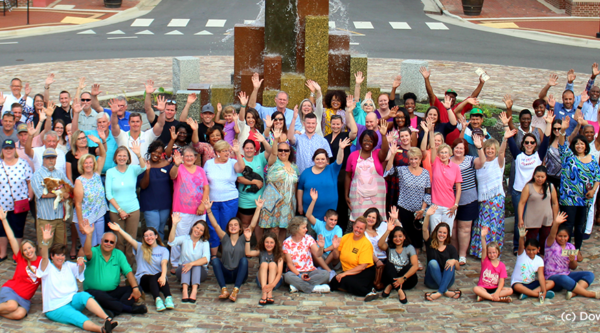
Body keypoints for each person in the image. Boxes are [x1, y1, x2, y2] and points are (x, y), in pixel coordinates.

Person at [37, 225, 117, 333]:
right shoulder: (47, 267)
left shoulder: (68, 265)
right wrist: (45, 242)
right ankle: (101, 330)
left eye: (62, 255)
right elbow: (44, 257)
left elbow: (80, 270)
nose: (60, 258)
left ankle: (108, 319)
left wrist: (81, 263)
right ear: (52, 256)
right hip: (56, 307)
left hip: (71, 300)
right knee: (77, 316)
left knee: (84, 295)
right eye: (57, 255)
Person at [505, 110, 553, 254]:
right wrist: (505, 125)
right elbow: (510, 139)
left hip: (535, 192)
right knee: (519, 221)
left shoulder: (538, 155)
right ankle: (517, 245)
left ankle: (533, 245)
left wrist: (549, 123)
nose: (529, 144)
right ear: (523, 143)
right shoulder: (518, 155)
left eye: (532, 142)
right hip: (519, 191)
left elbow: (547, 139)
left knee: (534, 220)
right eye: (527, 142)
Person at [81, 224, 145, 318]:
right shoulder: (94, 251)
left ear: (115, 245)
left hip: (113, 291)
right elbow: (87, 252)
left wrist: (135, 288)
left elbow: (128, 272)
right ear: (101, 241)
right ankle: (128, 309)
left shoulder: (118, 254)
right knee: (100, 295)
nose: (108, 243)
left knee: (136, 288)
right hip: (93, 292)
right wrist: (89, 235)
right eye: (106, 241)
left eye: (111, 242)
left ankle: (112, 310)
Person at [384, 145, 431, 270]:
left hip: (419, 210)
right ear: (408, 159)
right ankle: (403, 259)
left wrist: (422, 209)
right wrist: (392, 154)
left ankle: (414, 259)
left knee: (416, 237)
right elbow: (388, 171)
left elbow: (427, 193)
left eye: (416, 159)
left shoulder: (425, 173)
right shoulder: (402, 170)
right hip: (404, 207)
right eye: (411, 159)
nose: (414, 161)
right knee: (405, 233)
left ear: (420, 159)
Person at [558, 113, 600, 250]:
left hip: (584, 198)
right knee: (568, 225)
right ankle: (567, 251)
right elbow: (562, 144)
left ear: (586, 146)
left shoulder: (592, 160)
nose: (580, 146)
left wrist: (593, 190)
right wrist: (563, 131)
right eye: (577, 143)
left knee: (580, 225)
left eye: (582, 143)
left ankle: (577, 250)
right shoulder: (568, 157)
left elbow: (597, 177)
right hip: (569, 198)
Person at [108, 223, 173, 312]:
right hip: (144, 280)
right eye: (146, 236)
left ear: (156, 236)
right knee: (152, 277)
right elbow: (130, 239)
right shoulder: (140, 247)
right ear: (143, 238)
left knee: (158, 275)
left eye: (151, 235)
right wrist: (119, 230)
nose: (149, 237)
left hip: (158, 279)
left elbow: (164, 263)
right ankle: (157, 299)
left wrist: (163, 276)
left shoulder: (163, 250)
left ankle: (168, 298)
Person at [469, 133, 511, 258]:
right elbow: (480, 154)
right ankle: (480, 252)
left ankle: (492, 252)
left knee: (492, 226)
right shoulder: (480, 163)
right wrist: (479, 147)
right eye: (488, 148)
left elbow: (502, 152)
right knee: (482, 225)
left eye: (492, 149)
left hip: (495, 199)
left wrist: (505, 139)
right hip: (483, 200)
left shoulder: (499, 162)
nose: (490, 151)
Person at [169, 147, 209, 273]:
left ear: (196, 158)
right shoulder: (179, 168)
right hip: (182, 209)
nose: (189, 158)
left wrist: (203, 205)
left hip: (198, 210)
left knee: (199, 236)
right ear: (182, 157)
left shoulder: (200, 170)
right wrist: (176, 164)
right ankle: (176, 264)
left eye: (192, 156)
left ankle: (198, 262)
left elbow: (206, 188)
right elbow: (172, 175)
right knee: (179, 236)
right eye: (186, 156)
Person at [421, 66, 485, 144]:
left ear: (455, 99)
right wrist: (426, 79)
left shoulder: (459, 107)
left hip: (455, 144)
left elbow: (472, 98)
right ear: (445, 97)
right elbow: (430, 94)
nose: (451, 98)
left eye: (453, 97)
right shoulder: (439, 106)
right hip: (440, 143)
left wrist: (481, 83)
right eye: (448, 96)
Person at [105, 143, 146, 265]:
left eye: (124, 156)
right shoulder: (110, 172)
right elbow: (108, 194)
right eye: (119, 156)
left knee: (131, 239)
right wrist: (120, 210)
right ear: (115, 157)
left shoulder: (133, 169)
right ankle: (119, 264)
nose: (122, 158)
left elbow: (143, 167)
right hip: (115, 211)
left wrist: (138, 154)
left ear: (128, 158)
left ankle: (129, 264)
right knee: (119, 240)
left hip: (133, 209)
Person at [204, 140, 245, 256]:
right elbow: (204, 181)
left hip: (230, 200)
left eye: (228, 150)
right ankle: (214, 256)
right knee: (212, 227)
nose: (227, 153)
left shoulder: (232, 162)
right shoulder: (209, 163)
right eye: (224, 151)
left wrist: (237, 153)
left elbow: (241, 168)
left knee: (228, 226)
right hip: (212, 202)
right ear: (217, 152)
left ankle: (229, 254)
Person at [544, 212, 598, 299]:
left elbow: (573, 267)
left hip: (567, 274)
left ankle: (573, 293)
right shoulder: (551, 244)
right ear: (556, 236)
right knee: (563, 278)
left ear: (568, 237)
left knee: (589, 275)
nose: (562, 238)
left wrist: (572, 260)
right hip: (552, 277)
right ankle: (589, 294)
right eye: (560, 236)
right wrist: (556, 223)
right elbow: (552, 234)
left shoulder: (571, 247)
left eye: (565, 236)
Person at [259, 128, 299, 241]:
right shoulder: (273, 162)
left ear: (290, 152)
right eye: (281, 150)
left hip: (288, 202)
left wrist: (294, 201)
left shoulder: (294, 167)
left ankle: (281, 250)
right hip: (273, 201)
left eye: (286, 150)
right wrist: (276, 140)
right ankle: (273, 251)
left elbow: (295, 184)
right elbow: (274, 152)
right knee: (274, 229)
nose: (283, 152)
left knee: (284, 228)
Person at [0, 207, 41, 320]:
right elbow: (12, 238)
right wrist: (4, 220)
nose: (28, 251)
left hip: (24, 298)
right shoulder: (21, 259)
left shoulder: (41, 262)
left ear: (34, 248)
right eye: (25, 250)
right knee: (12, 306)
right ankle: (5, 305)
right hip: (11, 290)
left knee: (19, 314)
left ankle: (2, 309)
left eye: (30, 248)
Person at [205, 199, 248, 302]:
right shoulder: (224, 238)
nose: (233, 227)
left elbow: (253, 225)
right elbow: (215, 225)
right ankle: (224, 289)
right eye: (231, 225)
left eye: (235, 225)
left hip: (239, 274)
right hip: (226, 275)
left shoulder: (243, 238)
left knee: (244, 261)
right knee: (215, 260)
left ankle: (235, 290)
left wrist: (258, 208)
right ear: (228, 228)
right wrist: (209, 210)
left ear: (240, 228)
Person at [345, 124, 389, 222]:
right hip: (358, 196)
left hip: (376, 198)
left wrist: (383, 135)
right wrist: (346, 195)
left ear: (374, 143)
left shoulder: (378, 154)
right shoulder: (353, 155)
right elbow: (348, 176)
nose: (367, 143)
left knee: (375, 223)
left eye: (371, 141)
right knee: (359, 222)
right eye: (365, 140)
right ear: (360, 141)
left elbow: (385, 150)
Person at [297, 138, 350, 218]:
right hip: (309, 212)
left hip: (329, 213)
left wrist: (341, 149)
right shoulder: (306, 172)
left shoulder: (332, 169)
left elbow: (339, 161)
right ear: (313, 160)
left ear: (327, 160)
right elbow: (300, 189)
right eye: (317, 159)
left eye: (323, 159)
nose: (320, 161)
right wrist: (300, 205)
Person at [31, 148, 72, 250]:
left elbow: (69, 186)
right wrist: (61, 193)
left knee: (60, 247)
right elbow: (42, 194)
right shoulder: (37, 175)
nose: (51, 160)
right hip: (45, 218)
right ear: (43, 159)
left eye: (53, 158)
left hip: (59, 217)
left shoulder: (59, 173)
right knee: (45, 247)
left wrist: (66, 192)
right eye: (48, 158)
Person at [329, 217, 378, 301]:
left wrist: (344, 274)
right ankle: (365, 288)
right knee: (334, 282)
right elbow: (336, 257)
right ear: (353, 226)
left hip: (364, 270)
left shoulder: (366, 244)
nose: (358, 230)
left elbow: (362, 266)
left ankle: (369, 292)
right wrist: (335, 248)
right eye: (357, 227)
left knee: (347, 280)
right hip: (349, 270)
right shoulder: (346, 237)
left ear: (364, 230)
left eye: (361, 229)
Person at [325, 109, 358, 232]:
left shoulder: (345, 136)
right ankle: (329, 225)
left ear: (342, 124)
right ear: (330, 124)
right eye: (333, 124)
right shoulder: (326, 138)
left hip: (343, 172)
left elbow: (354, 131)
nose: (335, 126)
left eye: (338, 124)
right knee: (331, 198)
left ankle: (342, 227)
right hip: (329, 172)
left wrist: (349, 111)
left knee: (342, 200)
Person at [0, 139, 32, 261]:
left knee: (18, 228)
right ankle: (2, 253)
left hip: (20, 203)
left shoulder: (23, 163)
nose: (8, 151)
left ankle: (17, 254)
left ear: (15, 150)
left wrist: (30, 197)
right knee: (1, 229)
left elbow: (30, 181)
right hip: (2, 204)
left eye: (11, 148)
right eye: (6, 149)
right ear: (2, 150)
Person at [168, 213, 210, 303]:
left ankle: (194, 290)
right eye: (197, 228)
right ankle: (185, 290)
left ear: (203, 233)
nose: (198, 231)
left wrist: (191, 264)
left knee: (197, 265)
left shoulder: (204, 243)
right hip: (182, 271)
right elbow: (171, 242)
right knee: (186, 262)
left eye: (201, 230)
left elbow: (206, 259)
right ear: (192, 227)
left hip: (200, 273)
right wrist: (174, 225)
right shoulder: (184, 238)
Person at [282, 217, 330, 294]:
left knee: (326, 274)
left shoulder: (308, 238)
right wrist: (299, 275)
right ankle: (314, 288)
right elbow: (289, 264)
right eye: (304, 228)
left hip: (310, 272)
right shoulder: (287, 242)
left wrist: (321, 247)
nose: (306, 230)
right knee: (287, 276)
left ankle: (297, 286)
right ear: (296, 229)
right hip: (295, 273)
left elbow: (318, 254)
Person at [110, 98, 165, 166]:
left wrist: (162, 112)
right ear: (129, 123)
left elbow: (160, 124)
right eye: (133, 122)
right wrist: (114, 114)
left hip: (144, 171)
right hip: (127, 172)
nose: (135, 124)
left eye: (137, 121)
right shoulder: (122, 136)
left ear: (141, 123)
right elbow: (114, 125)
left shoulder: (147, 135)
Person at [422, 205, 461, 301]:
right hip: (431, 280)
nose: (442, 235)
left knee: (450, 262)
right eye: (440, 232)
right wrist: (427, 215)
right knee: (432, 263)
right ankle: (445, 291)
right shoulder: (430, 244)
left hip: (447, 280)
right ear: (436, 232)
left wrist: (454, 262)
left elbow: (458, 267)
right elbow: (424, 230)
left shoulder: (451, 248)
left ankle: (439, 292)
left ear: (447, 235)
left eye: (444, 233)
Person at [428, 125, 462, 234]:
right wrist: (431, 130)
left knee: (446, 234)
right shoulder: (435, 162)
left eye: (445, 152)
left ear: (450, 154)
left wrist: (455, 205)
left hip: (449, 206)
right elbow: (433, 147)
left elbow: (458, 187)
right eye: (441, 152)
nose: (443, 155)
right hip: (435, 206)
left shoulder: (455, 167)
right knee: (434, 233)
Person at [517, 165, 558, 256]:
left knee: (546, 242)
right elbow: (522, 203)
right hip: (532, 219)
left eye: (542, 177)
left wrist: (555, 219)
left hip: (546, 219)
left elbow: (555, 203)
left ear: (546, 177)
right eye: (538, 176)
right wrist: (520, 218)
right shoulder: (528, 187)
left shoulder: (550, 187)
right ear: (534, 176)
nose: (540, 179)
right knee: (531, 242)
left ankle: (544, 261)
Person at [73, 147, 107, 253]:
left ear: (94, 164)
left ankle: (97, 268)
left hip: (99, 215)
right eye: (86, 163)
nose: (88, 165)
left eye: (90, 162)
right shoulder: (79, 181)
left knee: (100, 245)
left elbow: (103, 155)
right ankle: (82, 267)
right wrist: (81, 224)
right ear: (82, 165)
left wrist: (99, 142)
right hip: (86, 219)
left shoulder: (97, 175)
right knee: (88, 247)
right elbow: (78, 204)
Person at [450, 138, 478, 265]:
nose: (458, 150)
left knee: (464, 228)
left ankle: (462, 255)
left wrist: (480, 148)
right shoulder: (447, 160)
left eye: (461, 148)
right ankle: (454, 253)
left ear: (465, 149)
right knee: (453, 228)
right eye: (456, 147)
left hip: (468, 199)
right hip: (450, 199)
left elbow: (482, 162)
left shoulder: (470, 160)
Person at [236, 134, 271, 236]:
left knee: (259, 224)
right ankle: (244, 246)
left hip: (260, 200)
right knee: (245, 223)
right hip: (245, 201)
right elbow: (239, 178)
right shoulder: (240, 161)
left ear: (255, 149)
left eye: (251, 148)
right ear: (243, 149)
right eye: (247, 148)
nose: (249, 150)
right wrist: (254, 182)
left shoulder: (259, 158)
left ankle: (259, 247)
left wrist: (264, 140)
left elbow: (270, 151)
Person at [377, 220, 419, 303]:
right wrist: (388, 230)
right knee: (388, 265)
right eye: (395, 236)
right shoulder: (389, 247)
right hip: (390, 275)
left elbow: (415, 266)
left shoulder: (409, 247)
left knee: (409, 267)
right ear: (392, 238)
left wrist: (403, 279)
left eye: (400, 236)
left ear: (404, 237)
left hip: (405, 278)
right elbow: (380, 244)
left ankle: (391, 285)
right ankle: (400, 291)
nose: (397, 239)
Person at [138, 140, 173, 240]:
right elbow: (143, 186)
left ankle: (160, 252)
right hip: (150, 205)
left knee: (161, 230)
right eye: (154, 151)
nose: (156, 154)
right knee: (153, 231)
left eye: (159, 152)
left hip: (165, 204)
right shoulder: (143, 165)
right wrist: (148, 171)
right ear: (150, 151)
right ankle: (152, 253)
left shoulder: (167, 165)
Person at [511, 224, 555, 302]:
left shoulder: (539, 260)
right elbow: (521, 246)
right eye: (529, 250)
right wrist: (521, 237)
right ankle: (536, 294)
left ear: (538, 249)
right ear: (525, 249)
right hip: (519, 283)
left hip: (531, 283)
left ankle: (528, 294)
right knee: (517, 287)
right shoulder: (522, 255)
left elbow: (541, 276)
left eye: (533, 249)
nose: (531, 252)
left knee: (551, 283)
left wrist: (544, 290)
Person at [144, 80, 195, 145]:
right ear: (163, 109)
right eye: (167, 109)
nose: (169, 112)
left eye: (172, 110)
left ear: (175, 112)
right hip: (158, 150)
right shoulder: (156, 120)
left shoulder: (177, 124)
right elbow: (147, 109)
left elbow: (182, 121)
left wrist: (188, 103)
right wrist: (148, 94)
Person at [473, 227, 513, 303]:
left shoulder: (502, 265)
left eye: (494, 252)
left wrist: (497, 292)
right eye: (490, 253)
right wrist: (483, 237)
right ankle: (496, 299)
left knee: (510, 290)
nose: (492, 255)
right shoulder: (485, 261)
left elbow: (501, 281)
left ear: (498, 252)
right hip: (483, 287)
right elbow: (484, 248)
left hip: (495, 288)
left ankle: (485, 297)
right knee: (476, 289)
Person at [244, 229, 284, 306]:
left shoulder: (279, 254)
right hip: (262, 282)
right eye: (267, 242)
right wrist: (248, 239)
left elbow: (279, 273)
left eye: (271, 242)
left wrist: (272, 285)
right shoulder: (261, 252)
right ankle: (264, 292)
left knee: (272, 264)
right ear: (263, 243)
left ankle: (270, 293)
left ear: (275, 244)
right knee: (264, 264)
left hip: (274, 282)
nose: (269, 244)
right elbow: (248, 253)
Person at [305, 189, 343, 268]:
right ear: (325, 219)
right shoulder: (320, 225)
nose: (333, 222)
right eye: (331, 220)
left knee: (335, 249)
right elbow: (308, 215)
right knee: (312, 249)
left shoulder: (338, 229)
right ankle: (324, 268)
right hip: (320, 256)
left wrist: (324, 250)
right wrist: (313, 200)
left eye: (335, 220)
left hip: (332, 258)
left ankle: (323, 268)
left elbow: (336, 244)